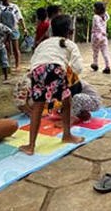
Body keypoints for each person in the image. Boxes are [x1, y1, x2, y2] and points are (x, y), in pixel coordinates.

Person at [20, 15, 85, 155]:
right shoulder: (69, 44)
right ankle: (67, 135)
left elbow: (34, 60)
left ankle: (31, 145)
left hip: (36, 71)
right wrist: (71, 73)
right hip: (55, 70)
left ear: (51, 30)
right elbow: (78, 67)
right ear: (70, 31)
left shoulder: (44, 43)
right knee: (66, 102)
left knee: (38, 105)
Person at [0, 0, 25, 71]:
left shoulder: (14, 7)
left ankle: (17, 65)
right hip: (3, 30)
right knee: (6, 48)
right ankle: (7, 65)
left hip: (14, 28)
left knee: (16, 48)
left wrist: (24, 28)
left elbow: (20, 18)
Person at [90, 1, 111, 74]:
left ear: (98, 9)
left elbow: (98, 25)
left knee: (95, 51)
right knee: (105, 51)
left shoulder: (95, 17)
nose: (94, 9)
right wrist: (104, 33)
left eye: (95, 8)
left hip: (96, 36)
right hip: (104, 37)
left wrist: (102, 31)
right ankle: (107, 66)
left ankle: (95, 64)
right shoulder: (105, 17)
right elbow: (109, 17)